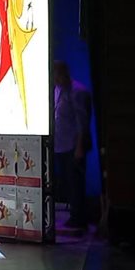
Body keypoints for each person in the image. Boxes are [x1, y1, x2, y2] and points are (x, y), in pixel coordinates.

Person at [53, 61, 93, 229]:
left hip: (73, 145)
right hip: (60, 144)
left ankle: (79, 217)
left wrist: (79, 147)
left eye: (57, 74)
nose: (55, 79)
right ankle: (74, 214)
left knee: (76, 182)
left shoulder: (78, 91)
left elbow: (81, 122)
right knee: (67, 182)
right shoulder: (57, 90)